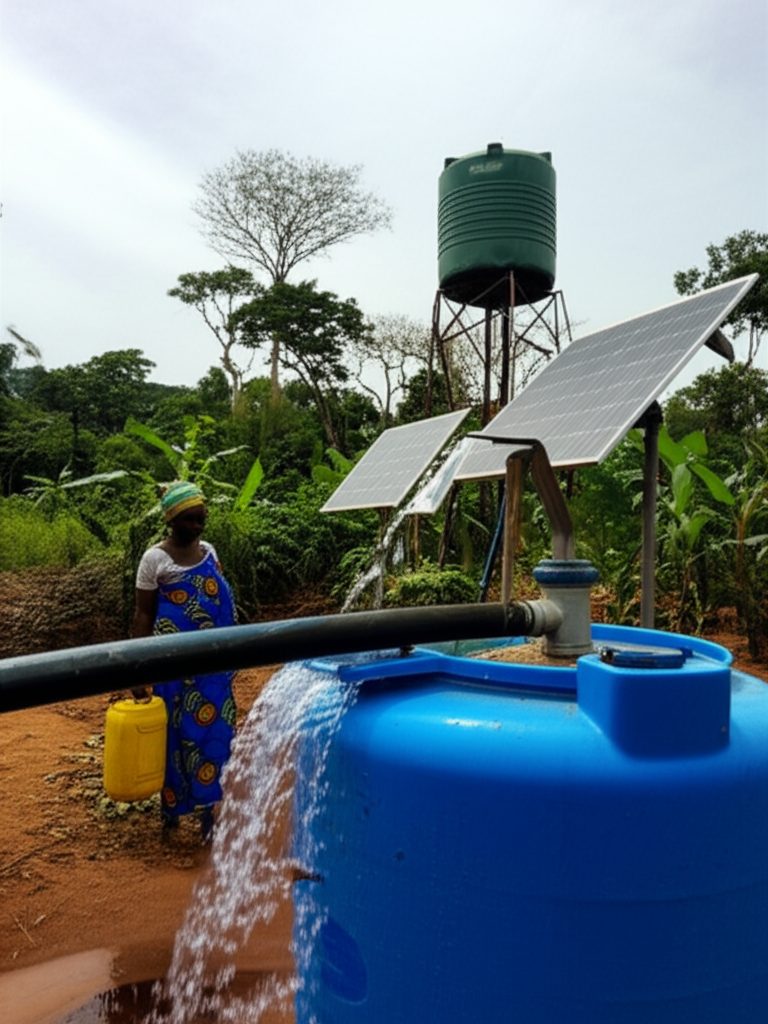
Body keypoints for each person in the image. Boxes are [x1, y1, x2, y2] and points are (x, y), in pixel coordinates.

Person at [132, 480, 237, 841]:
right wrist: (138, 667)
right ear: (171, 520)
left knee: (214, 732)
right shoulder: (154, 559)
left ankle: (209, 812)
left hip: (210, 665)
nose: (197, 527)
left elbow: (219, 599)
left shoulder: (209, 550)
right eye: (190, 520)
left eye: (201, 519)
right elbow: (143, 615)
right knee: (174, 734)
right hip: (171, 662)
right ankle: (172, 809)